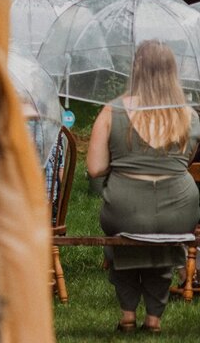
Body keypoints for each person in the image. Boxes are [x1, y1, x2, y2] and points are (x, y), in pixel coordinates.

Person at [87, 40, 200, 334]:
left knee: (121, 245)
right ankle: (154, 319)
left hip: (126, 208)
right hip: (179, 209)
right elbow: (184, 160)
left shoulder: (112, 111)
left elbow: (95, 168)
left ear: (135, 70)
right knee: (163, 247)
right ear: (172, 72)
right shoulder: (189, 116)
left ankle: (127, 316)